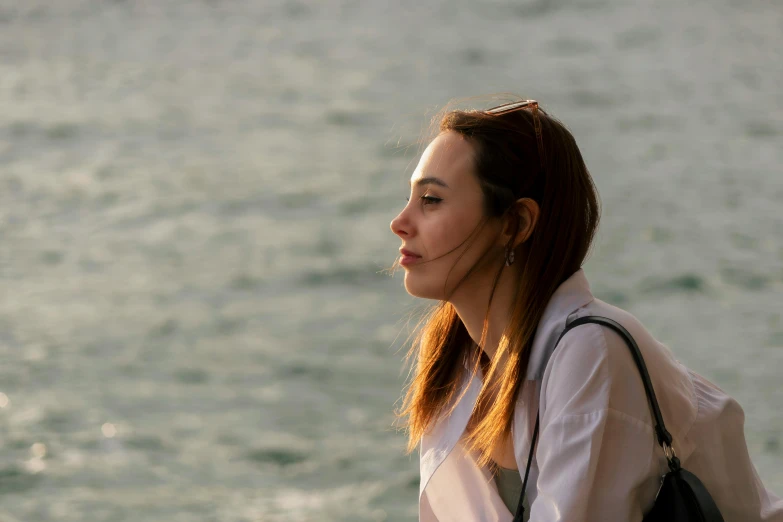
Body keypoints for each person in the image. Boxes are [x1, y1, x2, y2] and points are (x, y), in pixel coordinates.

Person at [389, 98, 783, 521]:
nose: (400, 221)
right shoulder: (457, 361)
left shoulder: (590, 351)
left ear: (516, 223)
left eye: (431, 199)